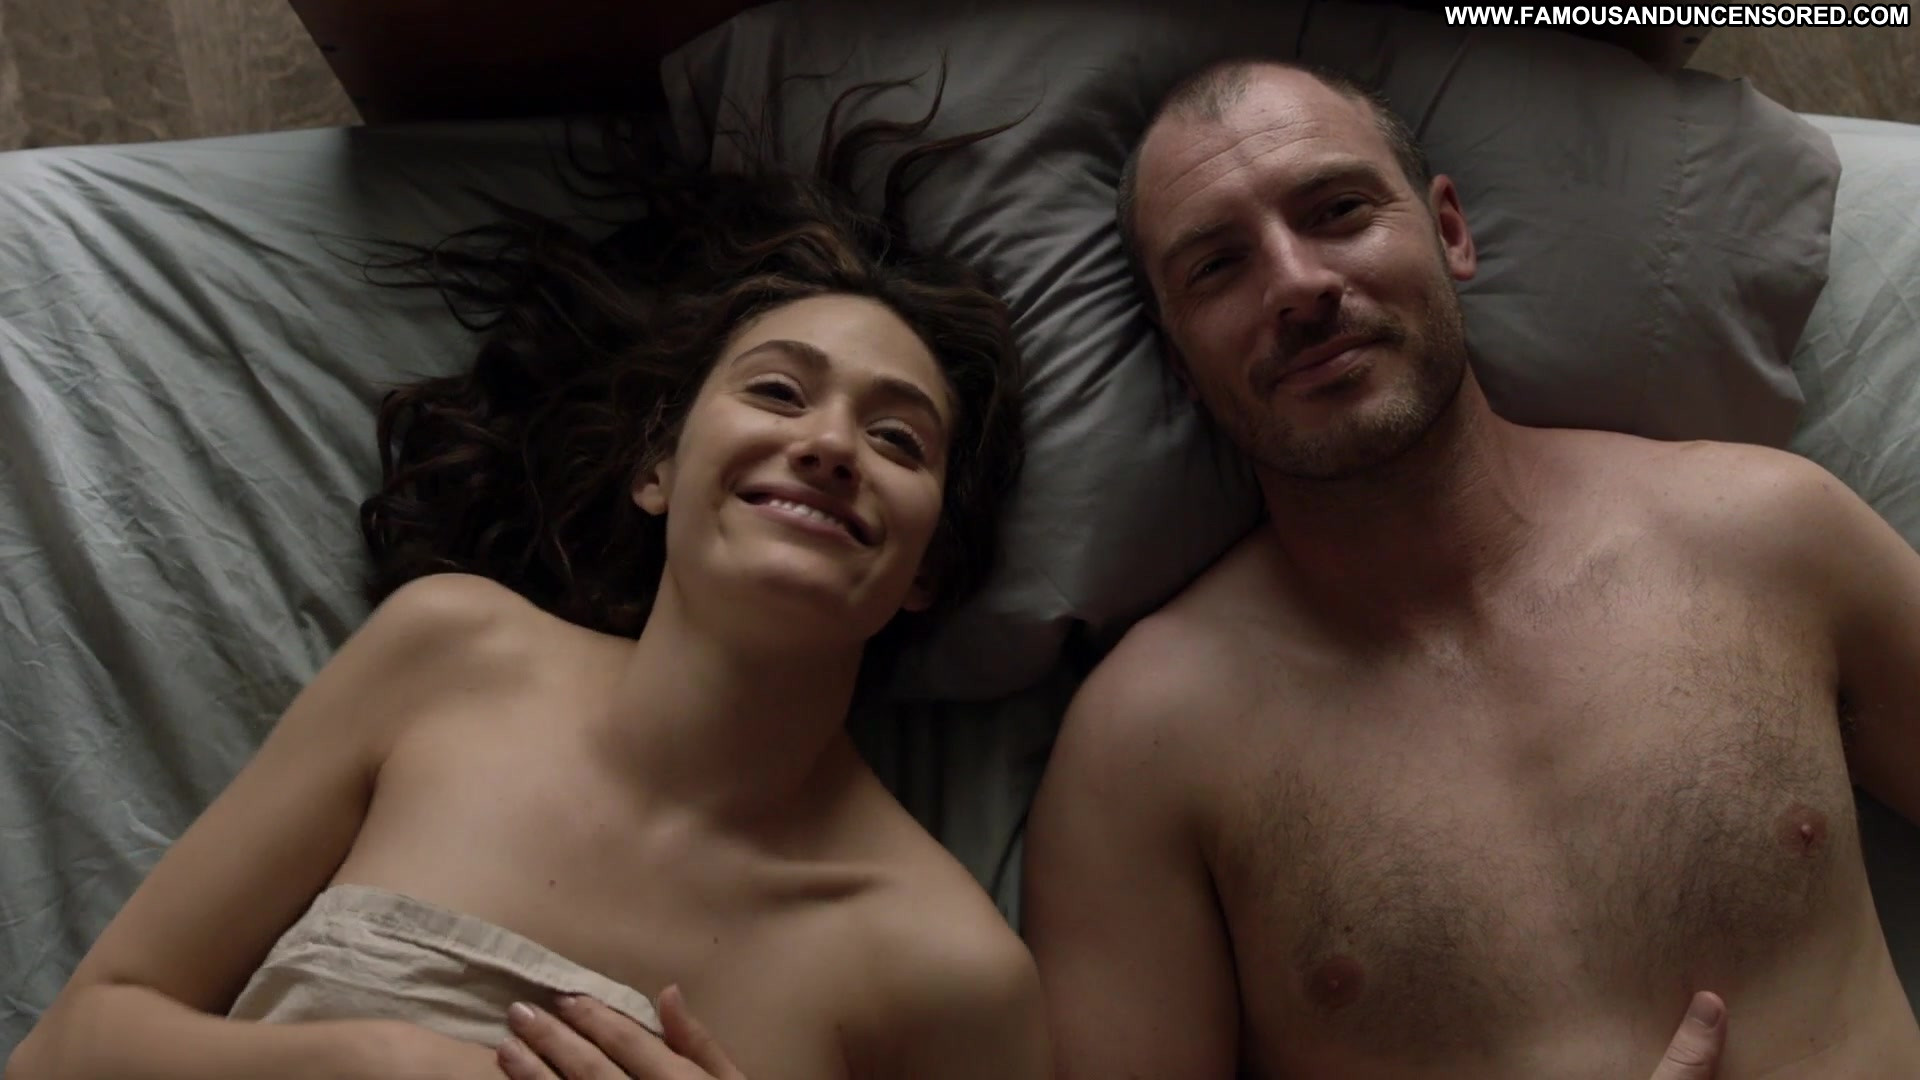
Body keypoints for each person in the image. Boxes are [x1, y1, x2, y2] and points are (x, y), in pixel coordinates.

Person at [7, 84, 1051, 1080]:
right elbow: (65, 1051)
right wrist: (369, 1059)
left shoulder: (953, 975)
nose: (828, 445)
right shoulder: (450, 653)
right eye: (778, 390)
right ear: (657, 471)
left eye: (897, 439)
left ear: (929, 568)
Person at [1021, 57, 1920, 1079]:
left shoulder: (1767, 535)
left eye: (1338, 211)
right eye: (1218, 267)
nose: (1298, 285)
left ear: (1449, 230)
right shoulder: (1141, 754)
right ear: (1181, 361)